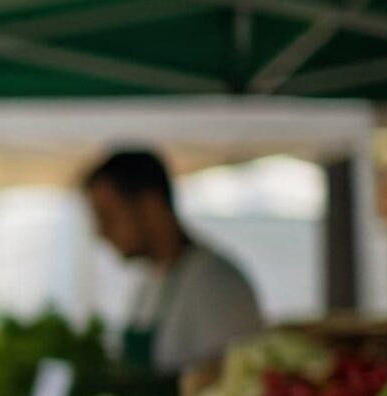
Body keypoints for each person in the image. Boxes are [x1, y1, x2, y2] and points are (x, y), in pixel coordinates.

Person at [83, 148, 262, 374]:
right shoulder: (147, 284)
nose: (100, 232)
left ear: (151, 206)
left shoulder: (214, 281)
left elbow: (232, 380)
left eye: (108, 217)